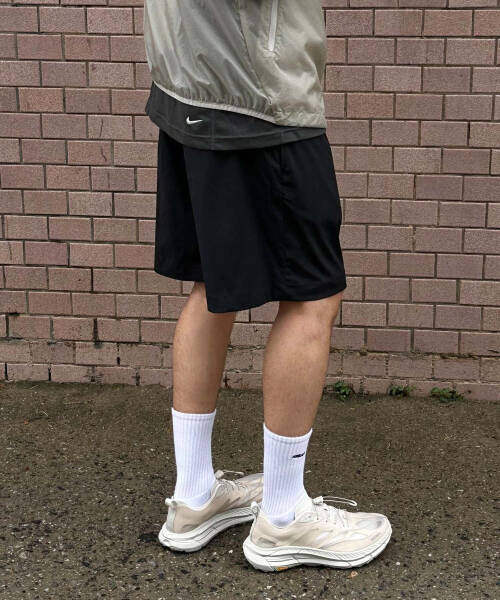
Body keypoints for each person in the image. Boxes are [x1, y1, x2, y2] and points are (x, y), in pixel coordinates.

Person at [143, 0, 392, 571]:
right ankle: (282, 517)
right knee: (312, 297)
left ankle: (194, 497)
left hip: (188, 78)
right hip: (257, 92)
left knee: (210, 284)